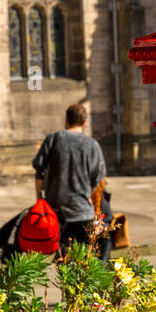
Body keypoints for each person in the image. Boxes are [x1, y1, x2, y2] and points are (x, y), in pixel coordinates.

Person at [32, 104, 108, 255]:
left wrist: (39, 199)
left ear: (66, 119)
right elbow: (98, 179)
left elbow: (39, 172)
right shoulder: (93, 145)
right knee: (89, 260)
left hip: (56, 212)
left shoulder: (52, 140)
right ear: (85, 122)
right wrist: (89, 196)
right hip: (83, 212)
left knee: (63, 259)